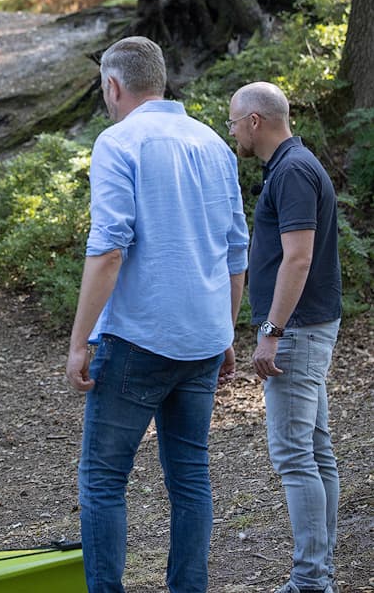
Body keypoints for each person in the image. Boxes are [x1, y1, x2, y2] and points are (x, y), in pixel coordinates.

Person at [64, 36, 249, 592]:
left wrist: (79, 341)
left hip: (138, 338)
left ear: (112, 86)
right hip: (203, 339)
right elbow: (236, 249)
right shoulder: (213, 143)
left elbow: (109, 249)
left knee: (103, 480)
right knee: (190, 478)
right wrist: (225, 331)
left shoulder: (118, 141)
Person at [228, 82, 342, 593]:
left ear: (255, 120)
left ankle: (311, 580)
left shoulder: (293, 170)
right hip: (307, 326)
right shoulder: (293, 165)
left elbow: (298, 257)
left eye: (234, 122)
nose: (232, 131)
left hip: (296, 330)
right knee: (315, 452)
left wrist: (272, 331)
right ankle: (319, 575)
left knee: (297, 456)